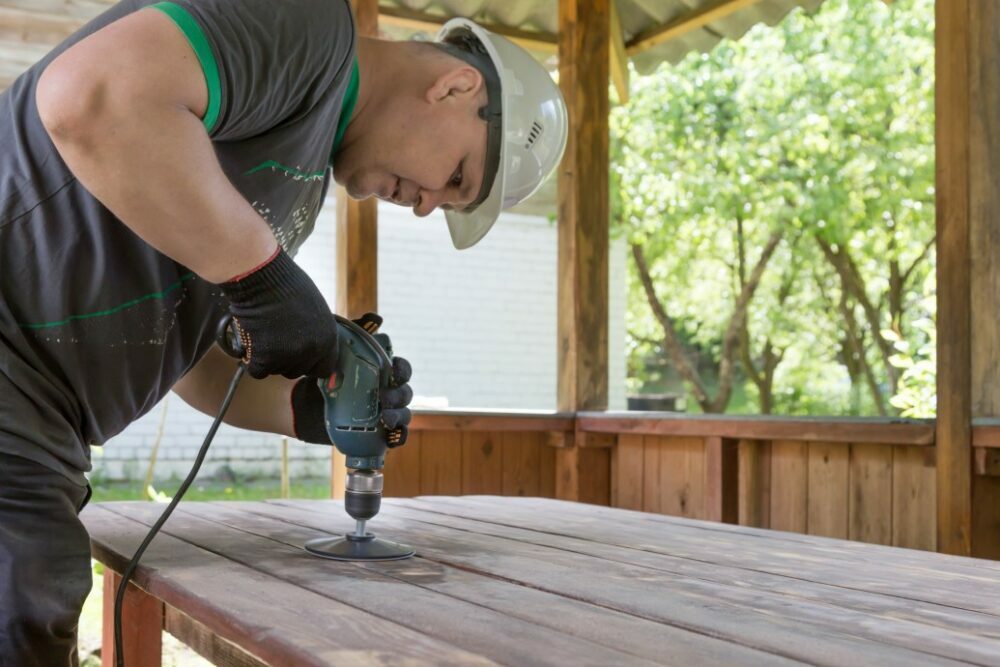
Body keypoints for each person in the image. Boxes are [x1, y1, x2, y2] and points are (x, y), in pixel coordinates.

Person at [0, 0, 567, 663]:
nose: (425, 206)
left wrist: (304, 409)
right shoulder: (306, 23)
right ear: (456, 86)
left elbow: (186, 362)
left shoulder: (295, 163)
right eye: (456, 178)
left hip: (41, 425)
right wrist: (258, 274)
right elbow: (87, 98)